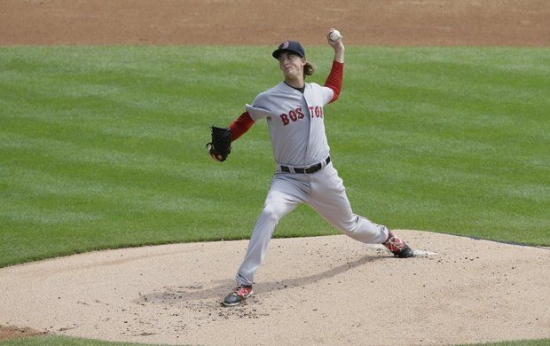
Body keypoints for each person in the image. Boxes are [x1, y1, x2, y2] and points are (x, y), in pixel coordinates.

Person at [208, 29, 415, 307]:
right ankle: (245, 282)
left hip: (323, 176)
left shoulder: (317, 93)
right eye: (281, 58)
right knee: (269, 213)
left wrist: (339, 52)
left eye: (291, 56)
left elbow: (335, 90)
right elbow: (245, 121)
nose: (285, 61)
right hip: (288, 180)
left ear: (303, 61)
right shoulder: (269, 98)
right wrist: (221, 145)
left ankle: (386, 237)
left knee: (350, 225)